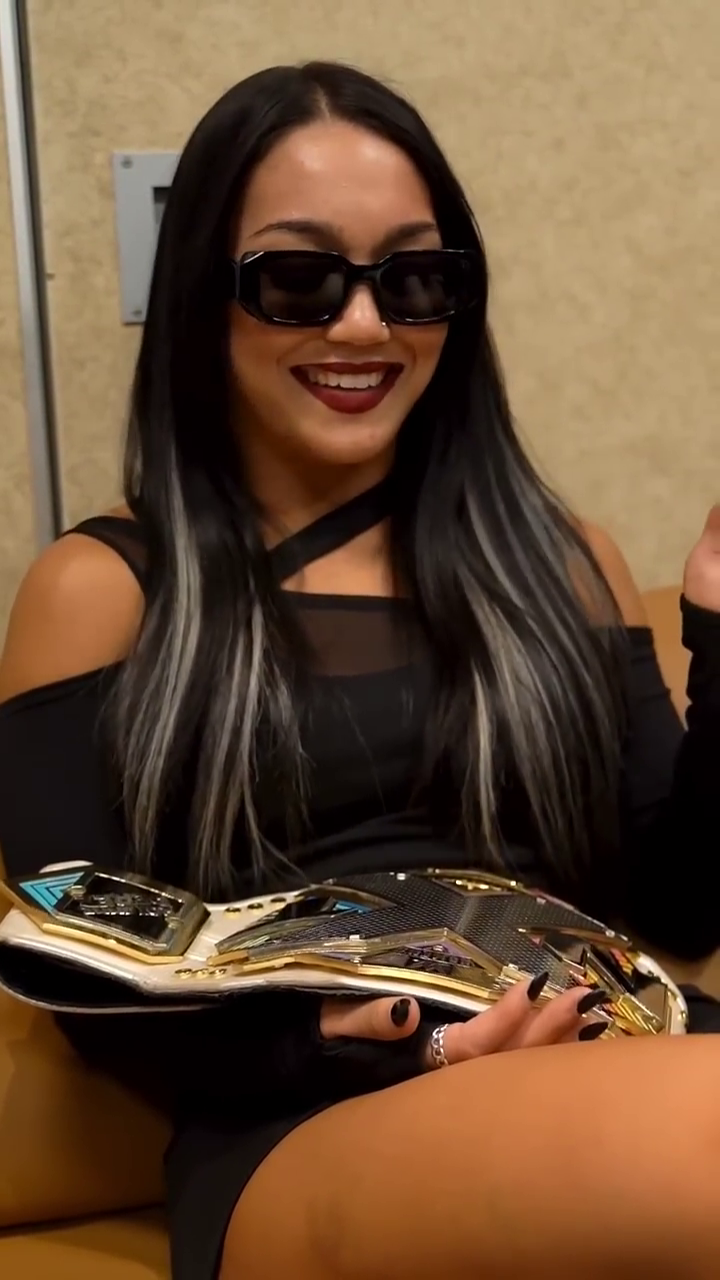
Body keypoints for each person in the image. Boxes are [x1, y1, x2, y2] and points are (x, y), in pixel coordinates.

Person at [0, 59, 719, 1280]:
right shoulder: (105, 588)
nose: (365, 326)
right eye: (299, 279)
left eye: (415, 278)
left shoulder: (563, 560)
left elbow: (684, 909)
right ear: (204, 295)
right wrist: (395, 1048)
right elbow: (87, 976)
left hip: (627, 1049)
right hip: (313, 1122)